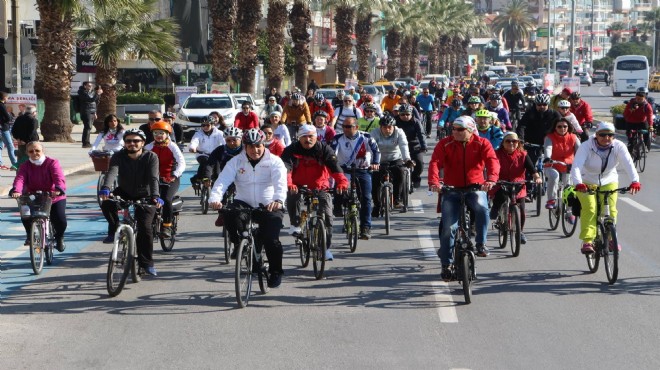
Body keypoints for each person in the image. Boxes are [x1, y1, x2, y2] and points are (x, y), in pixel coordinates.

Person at [209, 128, 288, 288]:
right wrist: (215, 199)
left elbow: (281, 183)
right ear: (245, 146)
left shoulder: (274, 161)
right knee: (229, 213)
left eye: (258, 146)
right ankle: (239, 242)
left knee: (271, 241)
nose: (255, 150)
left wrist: (278, 200)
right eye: (251, 146)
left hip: (269, 204)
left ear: (264, 144)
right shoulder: (236, 161)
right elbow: (222, 181)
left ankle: (276, 271)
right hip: (243, 201)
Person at [428, 116, 500, 281]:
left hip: (476, 187)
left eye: (460, 129)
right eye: (453, 128)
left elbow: (492, 161)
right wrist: (434, 182)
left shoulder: (482, 143)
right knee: (449, 228)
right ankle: (446, 264)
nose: (455, 132)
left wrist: (491, 179)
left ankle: (481, 243)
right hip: (451, 189)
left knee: (482, 208)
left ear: (470, 130)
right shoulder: (445, 143)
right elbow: (435, 163)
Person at [570, 121, 641, 254]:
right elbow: (576, 167)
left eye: (610, 135)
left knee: (611, 210)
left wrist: (635, 181)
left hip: (609, 179)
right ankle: (587, 241)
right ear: (596, 135)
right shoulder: (586, 146)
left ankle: (611, 239)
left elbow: (628, 164)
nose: (606, 138)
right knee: (590, 209)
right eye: (602, 135)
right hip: (586, 180)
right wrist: (578, 183)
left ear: (613, 136)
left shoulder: (619, 146)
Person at [281, 124, 349, 261]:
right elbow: (286, 169)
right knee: (292, 195)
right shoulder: (291, 150)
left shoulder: (324, 149)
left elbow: (334, 167)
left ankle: (325, 248)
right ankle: (295, 224)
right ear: (299, 138)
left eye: (311, 136)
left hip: (320, 186)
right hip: (298, 185)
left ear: (316, 137)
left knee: (328, 217)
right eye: (304, 137)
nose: (308, 139)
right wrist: (289, 184)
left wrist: (342, 182)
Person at [99, 129, 161, 276]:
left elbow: (153, 178)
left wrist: (155, 195)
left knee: (145, 228)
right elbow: (112, 172)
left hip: (145, 195)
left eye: (136, 141)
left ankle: (147, 263)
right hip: (125, 192)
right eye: (128, 141)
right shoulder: (118, 156)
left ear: (143, 143)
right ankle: (114, 229)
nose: (132, 144)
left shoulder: (151, 157)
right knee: (107, 203)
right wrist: (106, 188)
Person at [10, 142, 67, 251]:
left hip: (53, 196)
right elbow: (20, 179)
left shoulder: (52, 163)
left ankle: (59, 237)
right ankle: (29, 235)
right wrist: (16, 190)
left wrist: (58, 189)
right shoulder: (25, 166)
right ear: (27, 153)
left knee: (60, 219)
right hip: (34, 196)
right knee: (25, 212)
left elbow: (58, 176)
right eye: (31, 151)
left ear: (42, 151)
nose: (34, 153)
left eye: (37, 150)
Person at [331, 117, 380, 240]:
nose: (345, 129)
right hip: (344, 170)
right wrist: (333, 166)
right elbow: (332, 154)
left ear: (356, 127)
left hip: (362, 170)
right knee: (339, 189)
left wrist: (375, 163)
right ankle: (337, 206)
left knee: (366, 198)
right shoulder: (337, 139)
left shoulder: (366, 137)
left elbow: (376, 151)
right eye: (344, 127)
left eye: (349, 127)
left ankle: (365, 227)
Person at [490, 132, 541, 244]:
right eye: (508, 141)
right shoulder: (496, 154)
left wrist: (537, 177)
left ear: (518, 143)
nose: (511, 143)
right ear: (503, 143)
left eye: (514, 141)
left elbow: (532, 169)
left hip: (518, 183)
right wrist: (492, 179)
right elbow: (492, 167)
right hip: (501, 181)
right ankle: (496, 209)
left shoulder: (522, 154)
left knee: (521, 210)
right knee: (501, 196)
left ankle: (520, 231)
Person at [145, 121, 186, 238]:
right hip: (153, 179)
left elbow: (182, 162)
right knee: (148, 199)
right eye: (156, 133)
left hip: (170, 178)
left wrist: (175, 175)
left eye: (161, 133)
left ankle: (167, 225)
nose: (158, 135)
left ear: (167, 134)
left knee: (167, 199)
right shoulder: (148, 147)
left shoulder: (172, 146)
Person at [370, 114, 413, 214]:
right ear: (380, 127)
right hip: (379, 160)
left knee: (400, 172)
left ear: (393, 126)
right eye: (384, 127)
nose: (387, 129)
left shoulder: (399, 132)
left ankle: (397, 199)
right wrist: (371, 162)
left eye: (389, 127)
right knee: (375, 178)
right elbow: (370, 148)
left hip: (395, 158)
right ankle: (377, 204)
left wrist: (407, 159)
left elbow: (404, 146)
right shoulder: (374, 133)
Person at [543, 118, 580, 211]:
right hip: (552, 164)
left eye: (565, 126)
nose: (562, 128)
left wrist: (582, 161)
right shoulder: (549, 137)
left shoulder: (573, 137)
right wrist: (548, 158)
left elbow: (580, 150)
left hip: (568, 166)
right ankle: (551, 200)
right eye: (559, 126)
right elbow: (548, 148)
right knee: (554, 176)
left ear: (568, 127)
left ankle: (569, 211)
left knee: (568, 187)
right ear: (555, 127)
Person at [516, 93, 561, 163]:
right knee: (528, 166)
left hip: (549, 144)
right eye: (539, 105)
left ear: (548, 105)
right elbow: (521, 126)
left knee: (555, 166)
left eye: (544, 104)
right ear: (535, 104)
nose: (542, 106)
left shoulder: (554, 114)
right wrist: (521, 138)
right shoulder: (530, 112)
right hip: (531, 144)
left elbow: (562, 126)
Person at [189, 116, 225, 186]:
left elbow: (224, 142)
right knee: (205, 163)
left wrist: (226, 148)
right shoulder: (198, 134)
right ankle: (206, 179)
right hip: (202, 154)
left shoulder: (219, 133)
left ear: (212, 125)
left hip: (215, 155)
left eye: (207, 125)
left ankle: (196, 178)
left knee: (217, 172)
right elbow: (194, 141)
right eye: (203, 125)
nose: (205, 127)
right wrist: (192, 147)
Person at [396, 104, 427, 188]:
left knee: (419, 164)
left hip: (414, 146)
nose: (405, 116)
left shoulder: (416, 122)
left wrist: (423, 146)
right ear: (399, 114)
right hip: (399, 147)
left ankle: (415, 177)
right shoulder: (395, 122)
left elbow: (421, 134)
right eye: (402, 114)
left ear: (411, 114)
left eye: (407, 114)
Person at [623, 87, 653, 152]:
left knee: (647, 132)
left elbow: (649, 116)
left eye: (641, 99)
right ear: (635, 97)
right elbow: (625, 114)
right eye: (637, 99)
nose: (638, 100)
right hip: (631, 122)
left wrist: (650, 126)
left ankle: (644, 145)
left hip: (642, 122)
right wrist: (631, 109)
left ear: (644, 98)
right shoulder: (630, 104)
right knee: (630, 140)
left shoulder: (647, 106)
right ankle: (631, 146)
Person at [78, 82, 102, 148]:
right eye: (89, 86)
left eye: (91, 86)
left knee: (89, 127)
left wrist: (95, 113)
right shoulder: (82, 92)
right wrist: (97, 93)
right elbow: (90, 100)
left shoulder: (90, 92)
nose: (90, 87)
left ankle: (87, 142)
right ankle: (85, 143)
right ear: (85, 86)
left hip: (91, 111)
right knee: (87, 127)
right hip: (86, 111)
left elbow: (95, 103)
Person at [0, 91, 17, 169]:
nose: (7, 99)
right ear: (4, 98)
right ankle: (14, 163)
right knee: (10, 146)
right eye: (7, 97)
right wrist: (7, 119)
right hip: (4, 129)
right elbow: (8, 117)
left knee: (0, 146)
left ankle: (0, 163)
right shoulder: (2, 105)